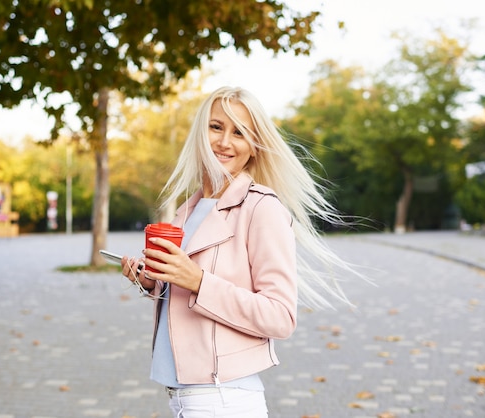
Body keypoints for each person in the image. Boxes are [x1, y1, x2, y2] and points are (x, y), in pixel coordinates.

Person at [121, 86, 361, 417]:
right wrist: (151, 281)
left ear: (254, 147)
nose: (224, 142)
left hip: (222, 398)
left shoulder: (261, 208)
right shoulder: (188, 209)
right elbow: (183, 289)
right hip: (183, 395)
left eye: (240, 132)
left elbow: (280, 317)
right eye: (216, 126)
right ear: (200, 132)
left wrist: (198, 281)